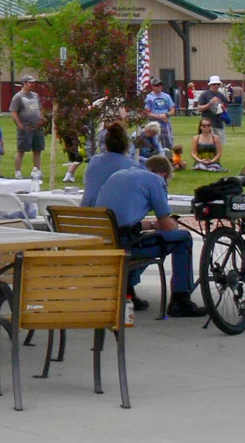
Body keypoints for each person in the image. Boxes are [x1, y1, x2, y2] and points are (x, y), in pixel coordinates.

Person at [93, 154, 208, 317]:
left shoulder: (118, 175)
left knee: (148, 239)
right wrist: (172, 223)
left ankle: (128, 292)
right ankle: (180, 299)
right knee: (183, 239)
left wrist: (152, 225)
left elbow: (123, 220)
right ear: (163, 174)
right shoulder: (155, 180)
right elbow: (169, 229)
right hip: (125, 244)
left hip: (105, 240)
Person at [81, 122, 144, 207]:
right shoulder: (132, 166)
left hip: (88, 214)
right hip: (111, 216)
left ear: (106, 144)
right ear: (126, 145)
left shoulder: (94, 160)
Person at [8, 75, 45, 180]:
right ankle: (18, 172)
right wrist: (19, 125)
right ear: (24, 83)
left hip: (37, 126)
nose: (33, 84)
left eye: (34, 83)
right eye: (30, 83)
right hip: (25, 126)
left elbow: (40, 108)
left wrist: (41, 119)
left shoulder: (35, 96)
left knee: (37, 149)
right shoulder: (18, 97)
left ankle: (37, 170)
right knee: (21, 150)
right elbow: (13, 112)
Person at [195, 77, 230, 145]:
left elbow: (226, 108)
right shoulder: (205, 95)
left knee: (220, 145)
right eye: (214, 84)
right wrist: (209, 103)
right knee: (209, 145)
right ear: (210, 85)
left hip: (219, 124)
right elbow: (199, 108)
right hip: (208, 125)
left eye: (217, 84)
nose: (216, 86)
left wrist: (222, 109)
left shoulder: (221, 95)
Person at [143, 77, 175, 151]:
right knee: (154, 145)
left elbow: (172, 110)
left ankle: (168, 160)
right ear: (153, 86)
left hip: (166, 124)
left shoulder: (167, 96)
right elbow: (147, 113)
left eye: (160, 84)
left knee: (168, 145)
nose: (159, 86)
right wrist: (159, 116)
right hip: (153, 125)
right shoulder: (149, 97)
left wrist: (166, 115)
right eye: (157, 85)